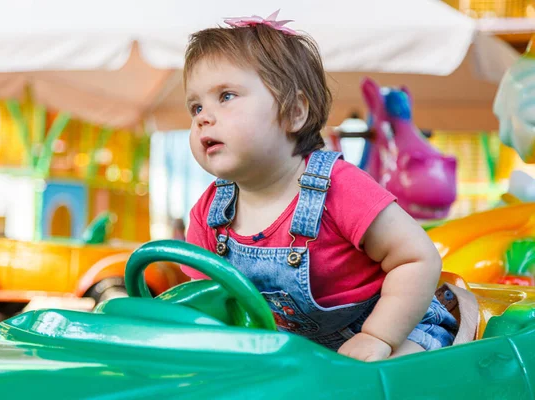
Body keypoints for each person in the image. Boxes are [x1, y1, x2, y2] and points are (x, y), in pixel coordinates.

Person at [180, 10, 457, 361]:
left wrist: (378, 337)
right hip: (300, 354)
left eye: (227, 96)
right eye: (195, 106)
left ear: (294, 112)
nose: (203, 116)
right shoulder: (209, 214)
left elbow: (417, 259)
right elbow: (205, 300)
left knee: (395, 375)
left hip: (397, 325)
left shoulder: (339, 188)